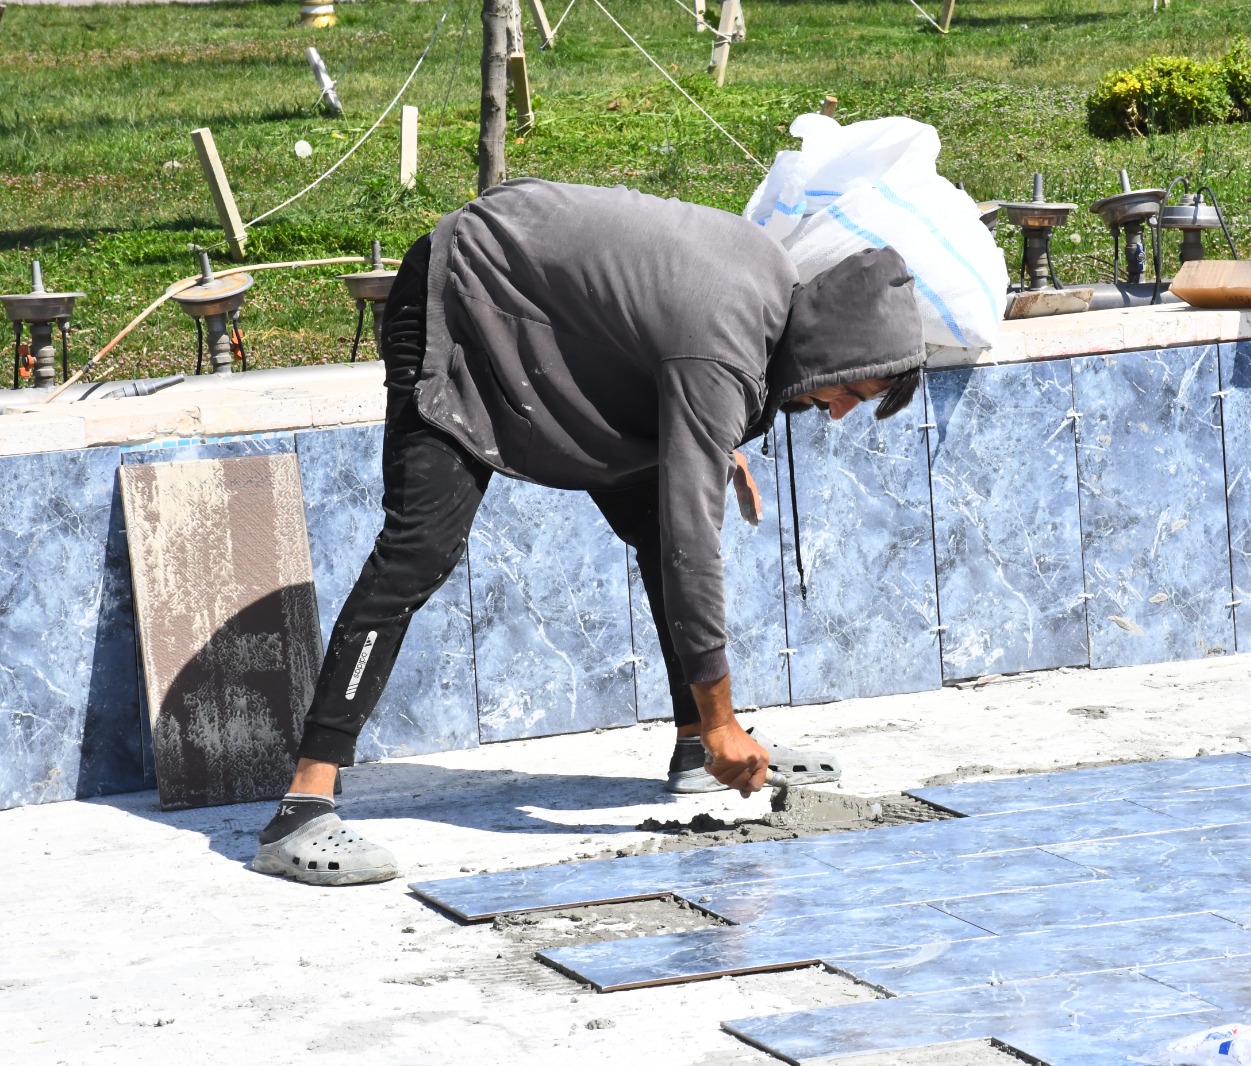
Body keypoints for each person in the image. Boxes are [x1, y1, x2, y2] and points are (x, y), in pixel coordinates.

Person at [252, 179, 927, 886]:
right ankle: (302, 807)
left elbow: (658, 328)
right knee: (419, 549)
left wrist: (710, 438)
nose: (840, 412)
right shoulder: (723, 349)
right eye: (850, 392)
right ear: (829, 348)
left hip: (556, 326)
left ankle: (697, 745)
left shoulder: (767, 300)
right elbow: (694, 537)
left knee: (657, 524)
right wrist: (728, 716)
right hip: (463, 294)